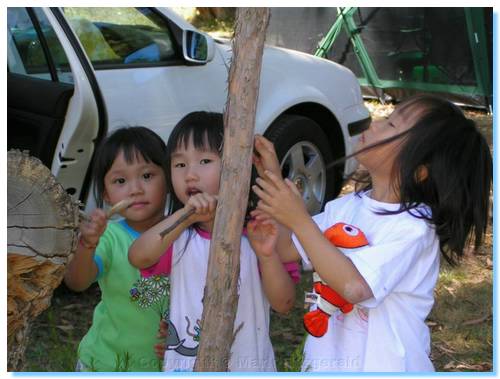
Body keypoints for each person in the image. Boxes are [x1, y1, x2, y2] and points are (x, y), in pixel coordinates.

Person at [251, 95, 492, 372]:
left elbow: (355, 287)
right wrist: (271, 173)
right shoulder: (345, 207)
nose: (376, 123)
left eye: (391, 125)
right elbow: (288, 248)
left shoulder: (413, 229)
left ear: (419, 171)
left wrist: (300, 220)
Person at [128, 111, 298, 372]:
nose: (190, 175)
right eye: (180, 164)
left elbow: (284, 304)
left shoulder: (259, 234)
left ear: (238, 167)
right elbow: (138, 256)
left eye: (205, 160)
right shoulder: (178, 236)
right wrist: (184, 217)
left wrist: (266, 255)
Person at [64, 127, 172, 372]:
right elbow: (78, 282)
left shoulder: (183, 233)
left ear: (168, 179)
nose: (135, 189)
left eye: (147, 176)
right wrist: (87, 244)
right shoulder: (109, 237)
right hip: (106, 363)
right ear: (107, 195)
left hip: (167, 365)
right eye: (120, 181)